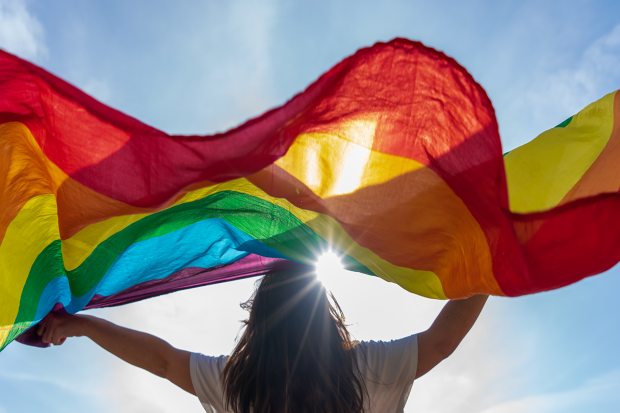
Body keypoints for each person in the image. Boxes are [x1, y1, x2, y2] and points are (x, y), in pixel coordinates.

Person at [37, 268, 488, 413]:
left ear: (257, 321)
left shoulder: (238, 384)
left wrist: (85, 326)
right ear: (326, 316)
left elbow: (164, 361)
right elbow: (440, 342)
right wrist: (492, 269)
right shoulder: (365, 371)